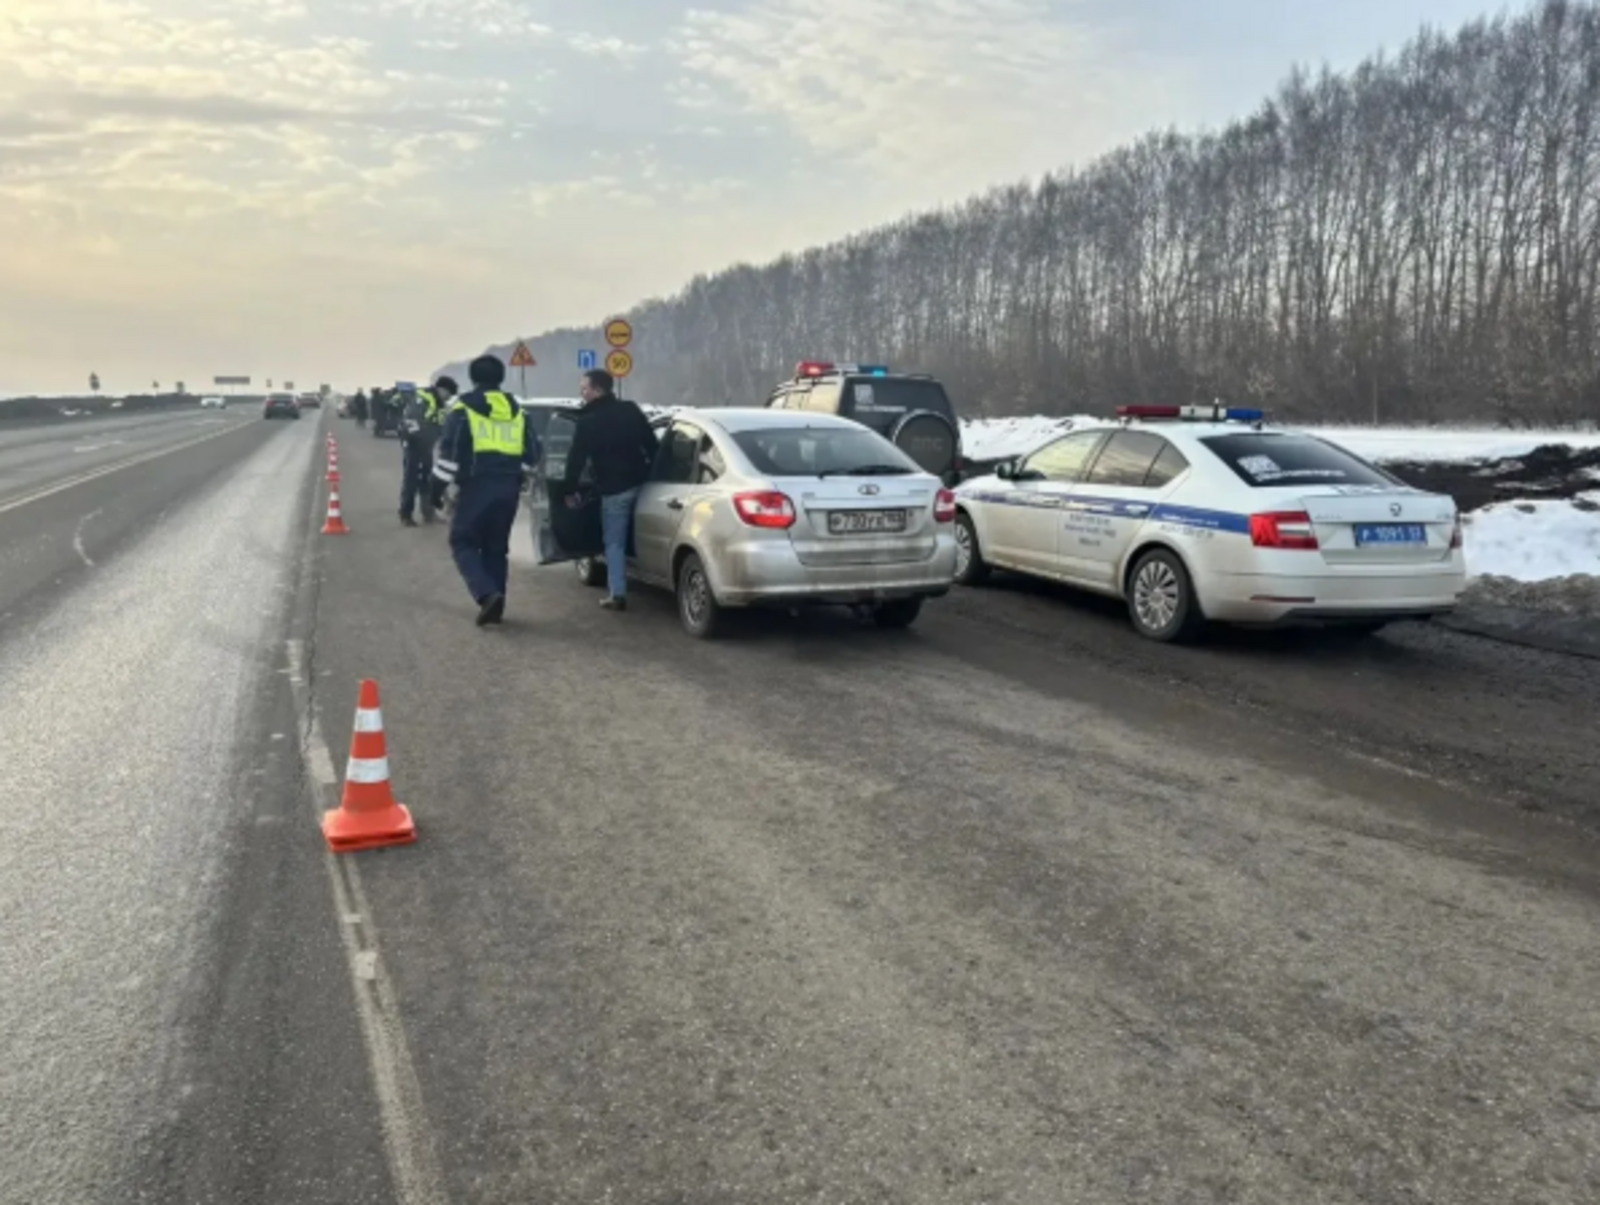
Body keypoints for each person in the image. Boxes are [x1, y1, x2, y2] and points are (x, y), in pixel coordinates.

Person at [429, 356, 538, 625]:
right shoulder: (518, 410)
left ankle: (487, 595)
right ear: (500, 378)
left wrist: (435, 490)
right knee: (496, 547)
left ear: (473, 378)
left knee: (462, 540)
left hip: (477, 486)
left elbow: (449, 455)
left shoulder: (463, 409)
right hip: (509, 488)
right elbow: (533, 452)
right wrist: (518, 473)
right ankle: (496, 604)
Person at [560, 368, 659, 611]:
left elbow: (576, 459)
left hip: (614, 489)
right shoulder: (631, 410)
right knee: (646, 533)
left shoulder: (587, 420)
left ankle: (617, 594)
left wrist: (569, 488)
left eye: (585, 388)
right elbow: (652, 444)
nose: (581, 393)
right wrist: (655, 474)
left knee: (613, 542)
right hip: (643, 484)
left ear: (598, 390)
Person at [397, 377, 458, 526]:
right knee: (411, 480)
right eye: (448, 394)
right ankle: (406, 514)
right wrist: (421, 441)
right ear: (442, 389)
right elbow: (411, 423)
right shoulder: (423, 400)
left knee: (427, 479)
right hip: (414, 445)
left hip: (426, 447)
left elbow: (441, 424)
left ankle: (428, 513)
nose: (449, 398)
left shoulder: (438, 403)